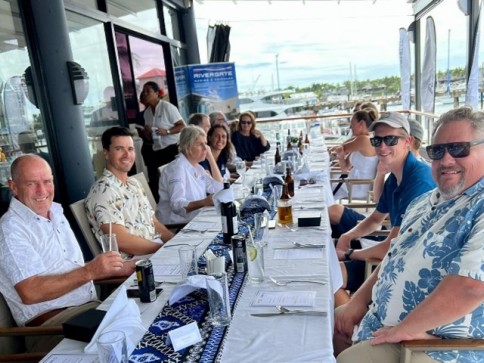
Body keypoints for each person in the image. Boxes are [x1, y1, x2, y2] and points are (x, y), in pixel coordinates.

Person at [335, 107, 484, 362]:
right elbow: (393, 257)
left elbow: (471, 287)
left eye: (459, 148)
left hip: (439, 346)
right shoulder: (425, 202)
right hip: (387, 326)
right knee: (331, 320)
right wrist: (358, 302)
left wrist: (407, 328)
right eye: (437, 151)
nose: (446, 160)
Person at [0, 154, 134, 352]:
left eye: (47, 181)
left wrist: (115, 269)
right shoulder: (11, 229)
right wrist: (91, 271)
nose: (42, 190)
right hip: (52, 328)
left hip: (89, 312)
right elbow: (31, 292)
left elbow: (68, 269)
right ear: (13, 187)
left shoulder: (55, 213)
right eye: (31, 183)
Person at [331, 112, 436, 304]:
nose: (382, 146)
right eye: (377, 140)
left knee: (329, 278)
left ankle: (350, 323)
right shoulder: (397, 174)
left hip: (409, 269)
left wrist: (349, 254)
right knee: (329, 269)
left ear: (408, 141)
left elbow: (393, 245)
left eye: (390, 139)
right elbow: (376, 219)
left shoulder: (418, 180)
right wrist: (348, 236)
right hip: (396, 257)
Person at [85, 127, 174, 257]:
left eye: (130, 149)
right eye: (119, 149)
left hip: (155, 253)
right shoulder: (103, 191)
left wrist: (176, 242)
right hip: (135, 266)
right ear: (106, 153)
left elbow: (153, 222)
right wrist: (163, 249)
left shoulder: (134, 184)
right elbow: (121, 241)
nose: (127, 155)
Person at [156, 125, 224, 224]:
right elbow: (177, 205)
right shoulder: (177, 168)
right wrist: (204, 202)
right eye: (200, 144)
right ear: (188, 147)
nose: (206, 148)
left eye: (205, 143)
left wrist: (211, 158)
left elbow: (218, 189)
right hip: (178, 225)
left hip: (196, 219)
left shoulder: (197, 167)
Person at [139, 81, 185, 201]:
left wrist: (167, 131)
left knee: (174, 180)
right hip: (157, 150)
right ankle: (160, 205)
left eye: (148, 91)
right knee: (158, 181)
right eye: (143, 91)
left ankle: (178, 203)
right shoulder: (147, 113)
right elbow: (149, 137)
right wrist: (146, 133)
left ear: (156, 93)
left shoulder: (167, 107)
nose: (144, 93)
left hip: (171, 149)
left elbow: (182, 126)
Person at [329, 107, 379, 201]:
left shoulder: (364, 140)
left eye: (352, 124)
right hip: (352, 184)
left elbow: (340, 148)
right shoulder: (361, 140)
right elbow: (345, 168)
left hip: (358, 188)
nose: (350, 127)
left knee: (324, 187)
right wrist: (340, 157)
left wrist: (337, 150)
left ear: (361, 124)